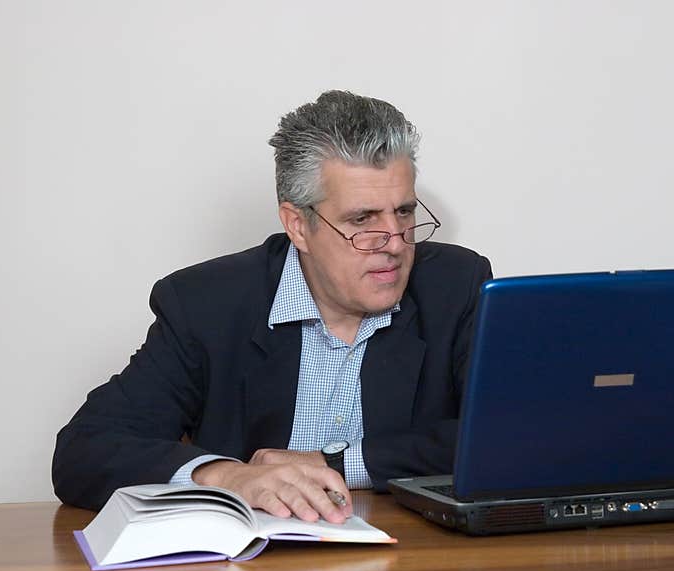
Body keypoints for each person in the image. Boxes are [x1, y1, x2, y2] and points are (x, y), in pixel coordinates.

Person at [52, 90, 492, 525]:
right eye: (362, 221)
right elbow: (86, 448)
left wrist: (335, 465)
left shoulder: (455, 286)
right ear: (298, 225)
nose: (395, 243)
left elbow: (510, 435)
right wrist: (226, 476)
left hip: (407, 562)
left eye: (404, 213)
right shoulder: (205, 305)